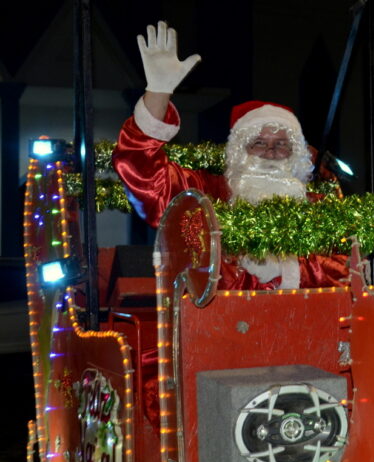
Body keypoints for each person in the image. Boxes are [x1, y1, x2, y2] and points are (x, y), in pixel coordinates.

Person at [113, 21, 348, 290]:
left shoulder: (319, 206)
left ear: (295, 154)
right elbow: (141, 171)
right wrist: (158, 93)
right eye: (258, 143)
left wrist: (285, 272)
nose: (271, 152)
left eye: (282, 144)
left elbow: (344, 270)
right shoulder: (206, 194)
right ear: (239, 152)